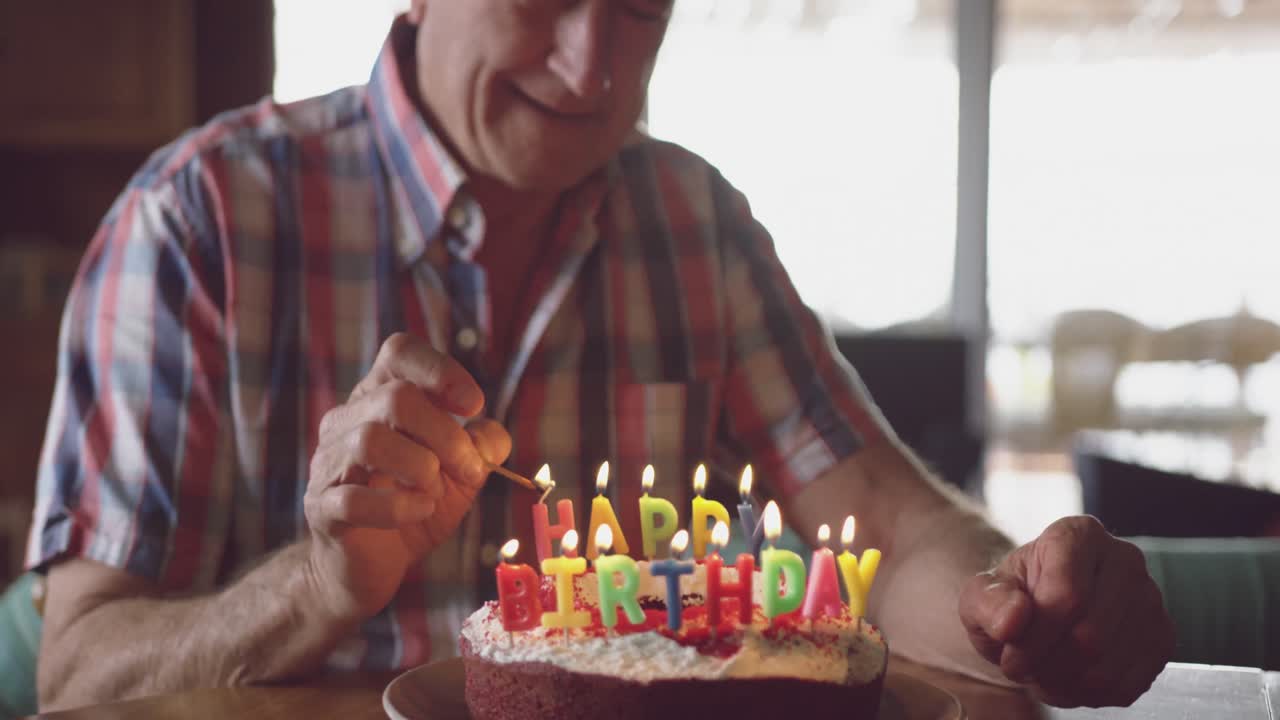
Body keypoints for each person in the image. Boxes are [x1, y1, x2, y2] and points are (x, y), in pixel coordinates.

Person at [28, 0, 1173, 712]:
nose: (591, 68)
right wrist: (317, 587)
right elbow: (77, 678)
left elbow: (885, 525)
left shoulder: (694, 224)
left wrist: (1013, 606)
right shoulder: (199, 224)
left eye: (637, 8)